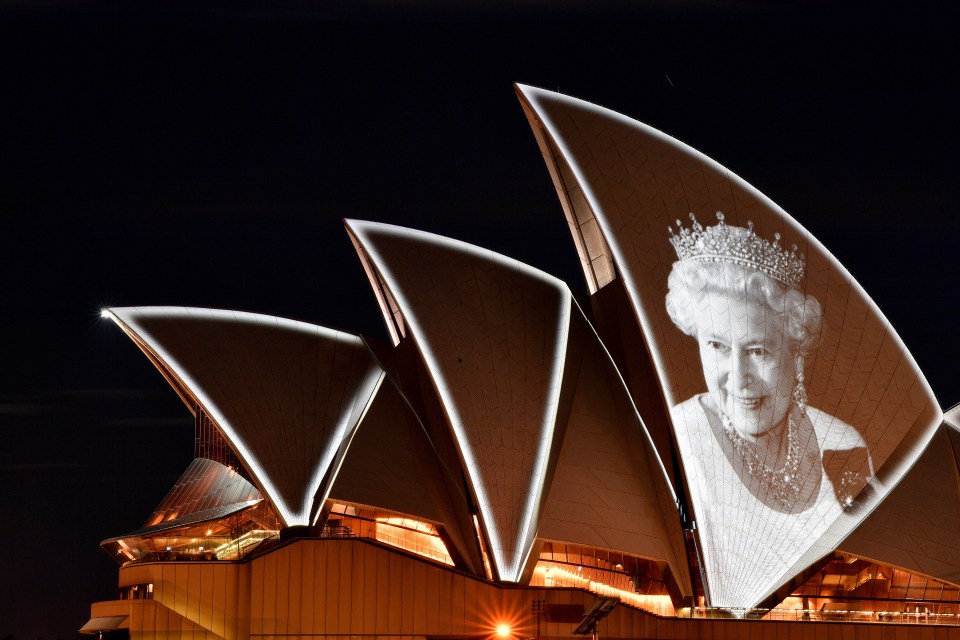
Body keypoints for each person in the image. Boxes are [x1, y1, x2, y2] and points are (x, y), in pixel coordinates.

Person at [664, 213, 876, 609]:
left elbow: (868, 566)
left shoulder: (844, 442)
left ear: (795, 350)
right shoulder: (677, 439)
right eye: (717, 347)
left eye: (758, 350)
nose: (738, 376)